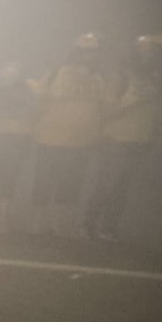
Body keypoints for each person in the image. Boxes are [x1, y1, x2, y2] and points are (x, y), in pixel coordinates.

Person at [83, 35, 162, 241]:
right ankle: (88, 225)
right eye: (144, 50)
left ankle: (109, 228)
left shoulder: (155, 80)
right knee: (107, 184)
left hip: (140, 141)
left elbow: (155, 111)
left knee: (123, 187)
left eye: (152, 52)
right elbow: (107, 111)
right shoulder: (120, 77)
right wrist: (136, 102)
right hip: (116, 140)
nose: (149, 55)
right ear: (134, 54)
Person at [29, 33, 106, 236]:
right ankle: (37, 223)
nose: (87, 58)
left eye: (92, 53)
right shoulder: (55, 74)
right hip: (49, 138)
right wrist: (32, 128)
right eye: (83, 53)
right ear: (74, 53)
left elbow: (102, 107)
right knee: (44, 181)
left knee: (71, 184)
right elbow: (39, 102)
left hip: (81, 142)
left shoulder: (98, 79)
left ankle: (59, 224)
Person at [0, 61, 36, 233]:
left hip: (19, 140)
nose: (10, 78)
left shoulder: (29, 93)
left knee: (10, 179)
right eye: (7, 75)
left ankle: (2, 218)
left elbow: (33, 112)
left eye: (14, 75)